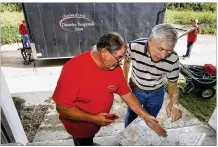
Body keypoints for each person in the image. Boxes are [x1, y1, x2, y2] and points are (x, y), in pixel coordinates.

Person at [52, 32, 167, 146]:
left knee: (90, 137)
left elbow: (127, 94)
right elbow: (62, 108)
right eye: (119, 57)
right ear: (104, 52)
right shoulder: (73, 69)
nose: (121, 62)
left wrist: (145, 116)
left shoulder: (113, 67)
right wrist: (93, 118)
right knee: (83, 141)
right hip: (79, 127)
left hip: (96, 123)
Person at [123, 24, 182, 128]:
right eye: (160, 49)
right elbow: (126, 61)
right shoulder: (134, 46)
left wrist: (174, 102)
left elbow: (173, 83)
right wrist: (124, 81)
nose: (163, 55)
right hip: (136, 89)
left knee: (150, 119)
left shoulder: (173, 58)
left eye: (169, 51)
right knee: (131, 116)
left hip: (157, 93)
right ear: (150, 40)